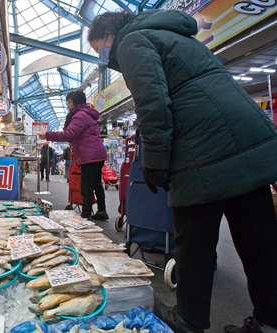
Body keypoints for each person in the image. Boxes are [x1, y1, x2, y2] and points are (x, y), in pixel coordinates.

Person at [88, 9, 277, 333]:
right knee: (259, 243)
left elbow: (154, 103)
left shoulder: (132, 42)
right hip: (247, 142)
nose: (103, 57)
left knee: (193, 244)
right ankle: (269, 321)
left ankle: (189, 321)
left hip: (202, 149)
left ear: (110, 35)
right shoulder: (174, 35)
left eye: (99, 48)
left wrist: (156, 163)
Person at [39, 91, 108, 220]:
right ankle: (102, 211)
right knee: (96, 184)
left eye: (70, 102)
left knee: (86, 186)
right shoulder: (87, 114)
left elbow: (68, 134)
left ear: (77, 103)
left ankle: (85, 216)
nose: (68, 106)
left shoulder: (79, 116)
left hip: (90, 155)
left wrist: (47, 135)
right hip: (97, 154)